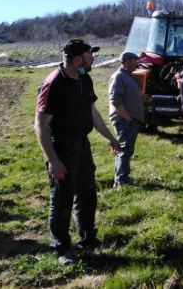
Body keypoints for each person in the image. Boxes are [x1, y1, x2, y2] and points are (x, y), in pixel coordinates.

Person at [34, 39, 120, 265]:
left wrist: (110, 137)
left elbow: (92, 112)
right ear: (77, 59)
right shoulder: (54, 83)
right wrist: (52, 160)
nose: (94, 58)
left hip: (82, 145)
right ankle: (61, 248)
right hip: (61, 148)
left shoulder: (85, 79)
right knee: (62, 198)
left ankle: (88, 238)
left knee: (87, 194)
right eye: (90, 55)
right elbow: (40, 125)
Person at [108, 51, 144, 189]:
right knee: (124, 150)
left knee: (126, 150)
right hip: (124, 120)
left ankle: (122, 178)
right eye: (135, 61)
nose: (137, 63)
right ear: (127, 61)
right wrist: (128, 119)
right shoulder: (118, 77)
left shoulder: (128, 76)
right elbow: (115, 101)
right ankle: (121, 181)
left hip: (130, 119)